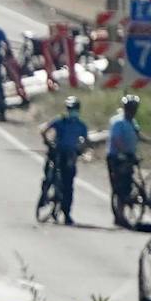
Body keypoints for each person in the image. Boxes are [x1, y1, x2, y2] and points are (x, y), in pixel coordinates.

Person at [40, 96, 89, 226]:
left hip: (70, 156)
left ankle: (66, 213)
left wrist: (80, 151)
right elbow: (44, 130)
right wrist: (48, 142)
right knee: (49, 176)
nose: (72, 111)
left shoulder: (81, 125)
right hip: (56, 154)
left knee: (68, 186)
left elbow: (85, 141)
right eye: (70, 108)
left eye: (75, 109)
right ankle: (44, 195)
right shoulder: (59, 121)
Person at [107, 95, 142, 227]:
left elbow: (138, 135)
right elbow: (116, 140)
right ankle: (119, 215)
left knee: (127, 184)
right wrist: (123, 153)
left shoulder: (133, 122)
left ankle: (121, 214)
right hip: (117, 157)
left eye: (134, 108)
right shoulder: (118, 122)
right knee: (120, 185)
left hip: (129, 155)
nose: (132, 111)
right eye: (130, 108)